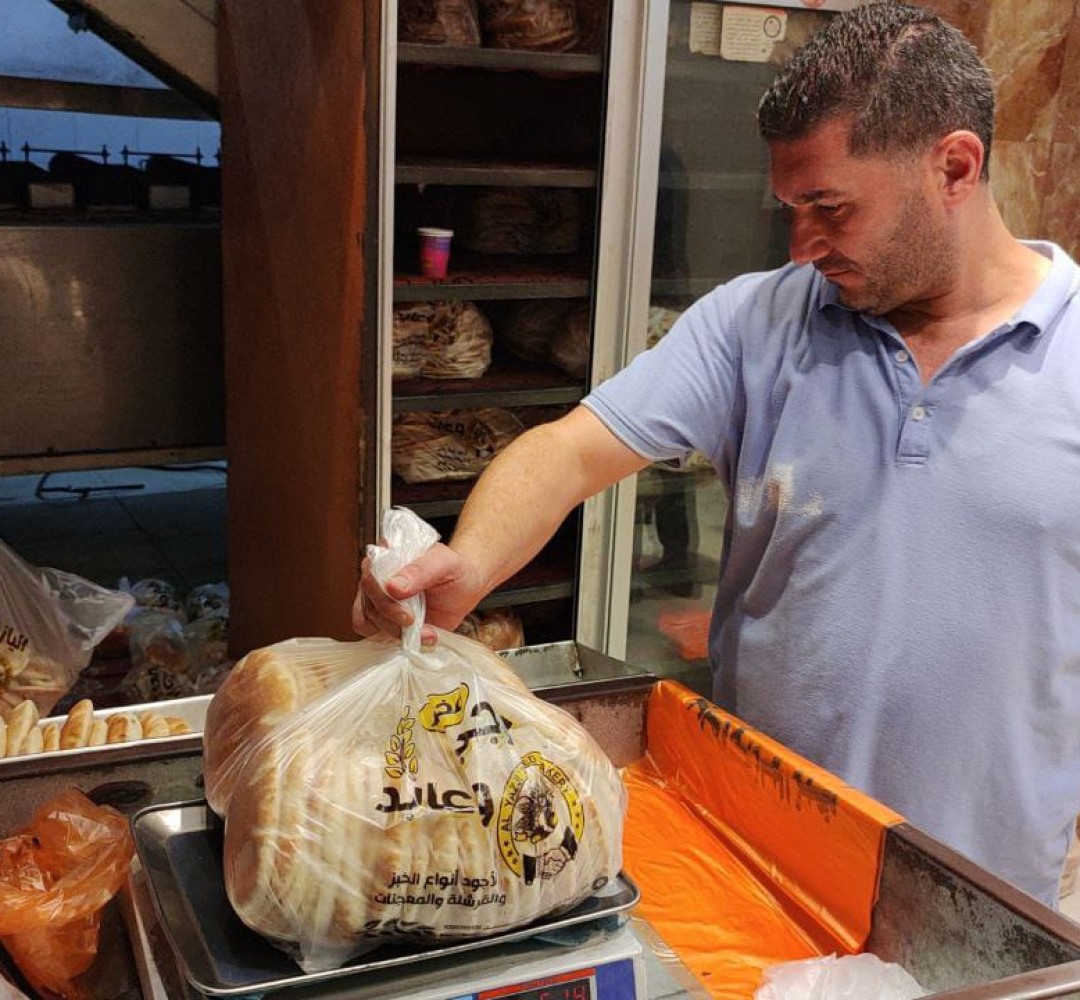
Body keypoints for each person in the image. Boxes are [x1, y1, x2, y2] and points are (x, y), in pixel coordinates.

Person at [355, 1, 1080, 908]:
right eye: (790, 209)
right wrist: (468, 563)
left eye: (830, 208)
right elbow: (568, 452)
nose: (803, 245)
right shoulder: (756, 322)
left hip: (980, 896)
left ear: (955, 168)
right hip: (756, 859)